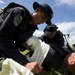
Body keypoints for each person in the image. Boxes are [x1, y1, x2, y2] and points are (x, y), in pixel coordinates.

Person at [0, 2, 53, 74]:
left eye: (45, 21)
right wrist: (25, 63)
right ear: (37, 10)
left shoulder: (31, 28)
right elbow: (3, 38)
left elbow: (17, 44)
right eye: (43, 17)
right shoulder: (19, 13)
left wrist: (25, 45)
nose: (42, 22)